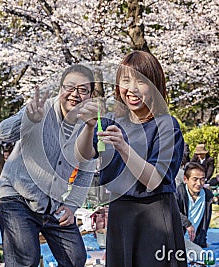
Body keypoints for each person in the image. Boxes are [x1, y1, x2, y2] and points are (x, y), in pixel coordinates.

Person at [75, 51, 187, 266]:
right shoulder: (113, 121)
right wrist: (89, 127)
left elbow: (153, 180)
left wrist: (124, 148)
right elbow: (83, 155)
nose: (132, 89)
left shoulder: (166, 125)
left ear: (154, 86)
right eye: (126, 81)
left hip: (154, 214)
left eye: (141, 82)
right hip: (120, 211)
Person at [0, 64, 97, 267]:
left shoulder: (88, 123)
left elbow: (86, 170)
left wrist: (71, 205)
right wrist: (27, 120)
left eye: (83, 90)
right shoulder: (40, 109)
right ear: (60, 88)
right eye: (70, 87)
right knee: (26, 258)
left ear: (91, 96)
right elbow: (2, 134)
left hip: (53, 204)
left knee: (75, 258)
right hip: (17, 196)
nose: (75, 95)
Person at [177, 162, 213, 248]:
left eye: (202, 179)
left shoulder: (207, 196)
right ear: (185, 179)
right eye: (195, 179)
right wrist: (187, 224)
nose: (199, 183)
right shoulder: (178, 193)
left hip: (195, 242)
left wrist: (202, 242)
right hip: (177, 240)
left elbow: (205, 223)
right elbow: (173, 212)